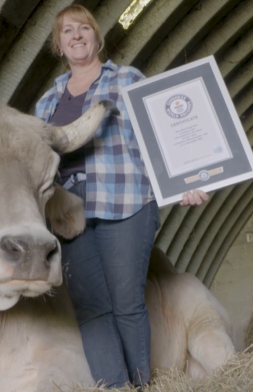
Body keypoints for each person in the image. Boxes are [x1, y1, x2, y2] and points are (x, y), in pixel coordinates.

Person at [35, 5, 208, 388]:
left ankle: (143, 383)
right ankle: (115, 387)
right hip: (69, 212)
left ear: (97, 38)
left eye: (84, 29)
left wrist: (184, 181)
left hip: (126, 202)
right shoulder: (47, 103)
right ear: (58, 45)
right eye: (67, 31)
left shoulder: (128, 80)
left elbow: (160, 136)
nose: (76, 35)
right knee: (91, 308)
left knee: (127, 303)